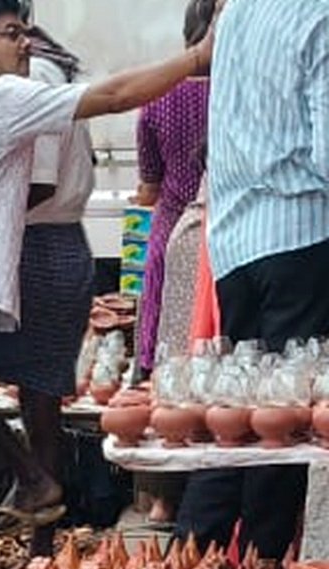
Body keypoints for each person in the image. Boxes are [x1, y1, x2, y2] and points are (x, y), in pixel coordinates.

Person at [0, 0, 213, 565]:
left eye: (25, 31)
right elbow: (114, 96)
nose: (25, 41)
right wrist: (197, 58)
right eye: (11, 33)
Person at [173, 0, 329, 562]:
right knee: (279, 431)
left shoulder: (237, 10)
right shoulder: (319, 16)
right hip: (299, 236)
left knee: (237, 420)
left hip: (235, 244)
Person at [0, 26, 94, 557]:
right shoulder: (49, 72)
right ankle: (37, 527)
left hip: (39, 245)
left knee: (25, 389)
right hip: (50, 242)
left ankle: (33, 491)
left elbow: (39, 183)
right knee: (37, 396)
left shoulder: (36, 78)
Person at [135, 0, 213, 378]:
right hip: (223, 232)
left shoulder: (157, 94)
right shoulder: (236, 90)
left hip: (171, 230)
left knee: (163, 340)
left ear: (186, 35)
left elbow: (149, 186)